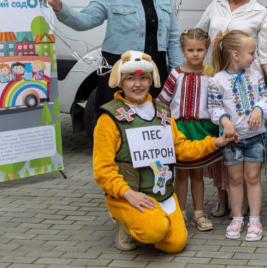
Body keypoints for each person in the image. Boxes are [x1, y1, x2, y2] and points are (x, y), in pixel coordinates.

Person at [93, 51, 229, 253]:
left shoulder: (162, 111)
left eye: (143, 78)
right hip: (130, 195)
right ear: (121, 82)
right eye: (130, 78)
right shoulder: (109, 119)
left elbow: (181, 149)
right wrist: (127, 193)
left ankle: (153, 220)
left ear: (151, 80)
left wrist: (215, 142)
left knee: (176, 244)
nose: (137, 84)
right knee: (155, 231)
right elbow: (102, 170)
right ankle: (125, 222)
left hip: (162, 192)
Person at [41, 0, 181, 107]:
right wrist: (58, 5)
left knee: (153, 117)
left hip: (154, 73)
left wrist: (176, 74)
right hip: (120, 72)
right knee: (116, 119)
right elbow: (84, 21)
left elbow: (173, 38)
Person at [196, 0, 267, 217]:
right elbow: (198, 37)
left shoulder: (260, 12)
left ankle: (242, 200)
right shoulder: (215, 6)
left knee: (242, 140)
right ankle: (223, 197)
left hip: (247, 89)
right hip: (216, 85)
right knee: (220, 141)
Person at [206, 30, 267, 241]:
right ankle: (237, 218)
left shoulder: (256, 75)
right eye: (251, 53)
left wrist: (259, 109)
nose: (254, 57)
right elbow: (214, 107)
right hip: (232, 140)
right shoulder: (217, 80)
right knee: (235, 179)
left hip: (255, 137)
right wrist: (225, 122)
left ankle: (255, 220)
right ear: (235, 55)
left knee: (252, 177)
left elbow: (265, 98)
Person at [159, 29, 222, 232]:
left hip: (201, 130)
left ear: (207, 49)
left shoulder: (211, 75)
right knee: (181, 174)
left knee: (197, 173)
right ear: (183, 50)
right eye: (190, 50)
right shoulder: (175, 74)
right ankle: (180, 212)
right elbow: (162, 102)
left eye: (200, 50)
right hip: (180, 130)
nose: (195, 54)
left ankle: (199, 212)